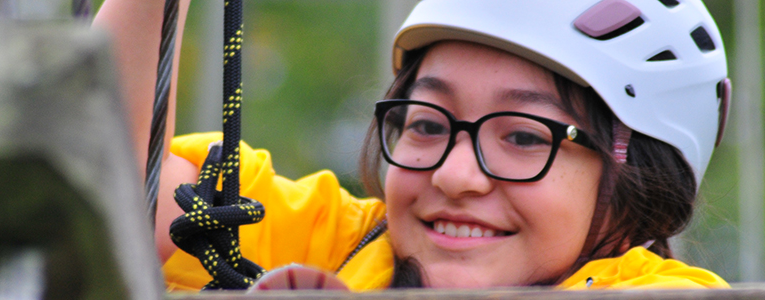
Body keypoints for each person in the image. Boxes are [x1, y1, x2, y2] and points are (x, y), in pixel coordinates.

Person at [95, 0, 732, 291]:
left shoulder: (656, 287)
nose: (456, 175)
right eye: (427, 123)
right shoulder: (348, 244)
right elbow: (117, 191)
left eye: (521, 136)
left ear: (640, 183)